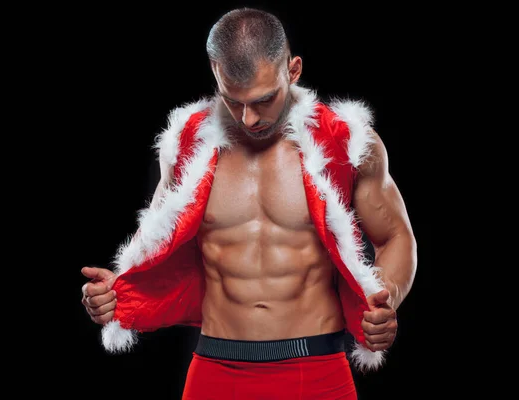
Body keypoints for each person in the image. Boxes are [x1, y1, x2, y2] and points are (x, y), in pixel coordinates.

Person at [81, 7, 417, 399]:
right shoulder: (188, 148)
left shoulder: (346, 143)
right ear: (215, 74)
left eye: (264, 100)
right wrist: (115, 293)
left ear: (292, 70)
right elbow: (153, 244)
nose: (249, 118)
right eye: (233, 101)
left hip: (316, 369)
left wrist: (385, 300)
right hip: (215, 369)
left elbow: (396, 236)